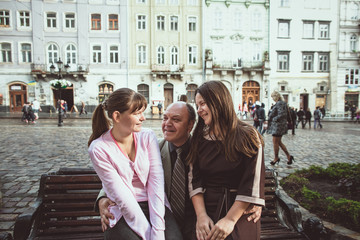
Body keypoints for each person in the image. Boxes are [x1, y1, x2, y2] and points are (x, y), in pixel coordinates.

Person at [97, 102, 263, 239]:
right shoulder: (152, 149)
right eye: (165, 118)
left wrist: (255, 200)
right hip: (160, 220)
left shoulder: (203, 152)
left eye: (175, 119)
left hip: (197, 223)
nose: (167, 124)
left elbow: (241, 176)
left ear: (190, 124)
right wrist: (103, 197)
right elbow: (119, 174)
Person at [88, 88, 181, 240]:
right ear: (117, 116)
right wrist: (148, 236)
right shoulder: (99, 148)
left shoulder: (147, 136)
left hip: (155, 205)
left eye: (142, 112)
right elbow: (122, 196)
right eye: (137, 113)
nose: (143, 118)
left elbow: (156, 183)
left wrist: (157, 232)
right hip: (120, 209)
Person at [188, 81, 265, 240]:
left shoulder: (248, 136)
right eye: (197, 105)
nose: (199, 110)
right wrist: (201, 216)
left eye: (203, 103)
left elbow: (252, 181)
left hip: (241, 210)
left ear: (218, 101)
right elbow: (194, 180)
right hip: (208, 208)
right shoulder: (199, 138)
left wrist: (230, 220)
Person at [268, 91, 294, 165]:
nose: (272, 98)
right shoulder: (282, 103)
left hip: (278, 125)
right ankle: (288, 156)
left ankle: (276, 158)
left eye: (273, 97)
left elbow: (281, 114)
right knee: (279, 142)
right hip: (280, 125)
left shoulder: (279, 103)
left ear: (276, 96)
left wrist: (273, 119)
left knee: (275, 142)